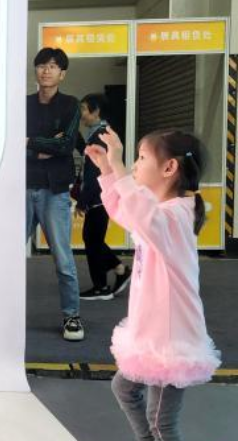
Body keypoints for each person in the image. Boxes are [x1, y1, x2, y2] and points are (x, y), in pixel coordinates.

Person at [86, 128, 221, 440]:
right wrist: (107, 170)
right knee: (124, 389)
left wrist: (117, 165)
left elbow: (139, 211)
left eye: (141, 158)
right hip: (152, 333)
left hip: (170, 340)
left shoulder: (175, 217)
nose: (135, 165)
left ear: (169, 167)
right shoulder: (160, 215)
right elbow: (126, 211)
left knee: (161, 423)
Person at [26, 47, 84, 341]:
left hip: (55, 190)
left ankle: (72, 315)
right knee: (6, 256)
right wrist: (45, 146)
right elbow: (9, 143)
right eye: (41, 65)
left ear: (62, 74)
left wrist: (29, 142)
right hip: (22, 188)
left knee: (62, 258)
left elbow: (66, 145)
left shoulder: (70, 105)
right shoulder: (23, 104)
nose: (46, 71)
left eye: (52, 66)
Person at [75, 94, 131, 300]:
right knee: (93, 238)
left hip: (99, 196)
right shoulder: (99, 133)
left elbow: (93, 172)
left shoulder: (100, 135)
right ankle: (119, 270)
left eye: (83, 109)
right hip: (101, 195)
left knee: (92, 239)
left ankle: (101, 287)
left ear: (96, 110)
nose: (81, 114)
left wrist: (83, 200)